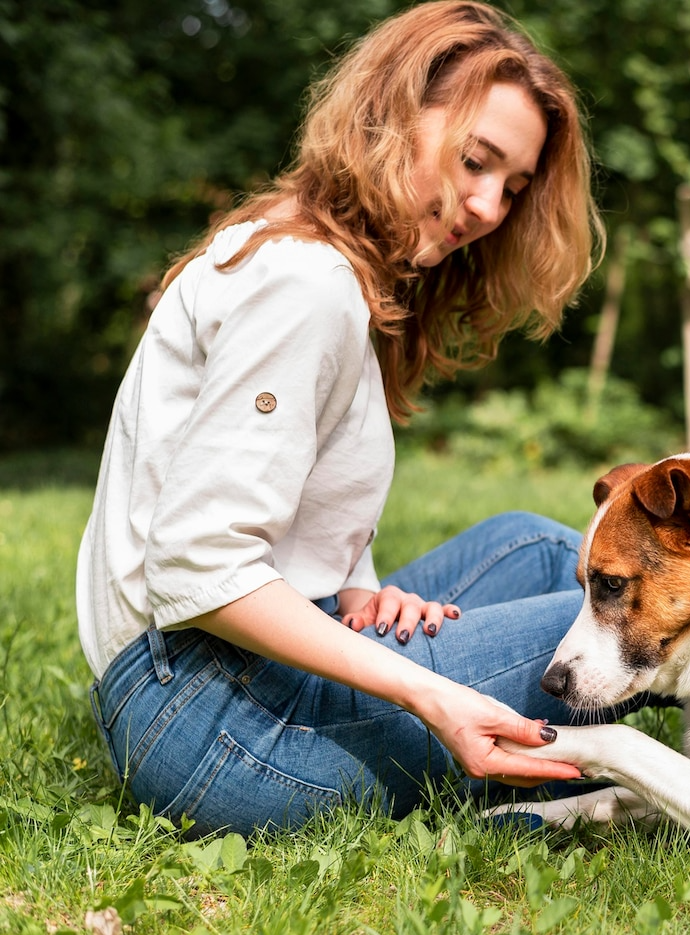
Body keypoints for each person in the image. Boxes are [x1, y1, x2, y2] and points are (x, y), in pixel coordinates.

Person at [77, 0, 607, 837]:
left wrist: (359, 589)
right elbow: (197, 564)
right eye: (477, 161)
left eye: (512, 186)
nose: (487, 207)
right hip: (212, 723)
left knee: (543, 553)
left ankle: (559, 772)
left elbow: (288, 494)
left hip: (210, 679)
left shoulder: (320, 265)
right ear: (394, 113)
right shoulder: (307, 283)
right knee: (648, 618)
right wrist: (427, 691)